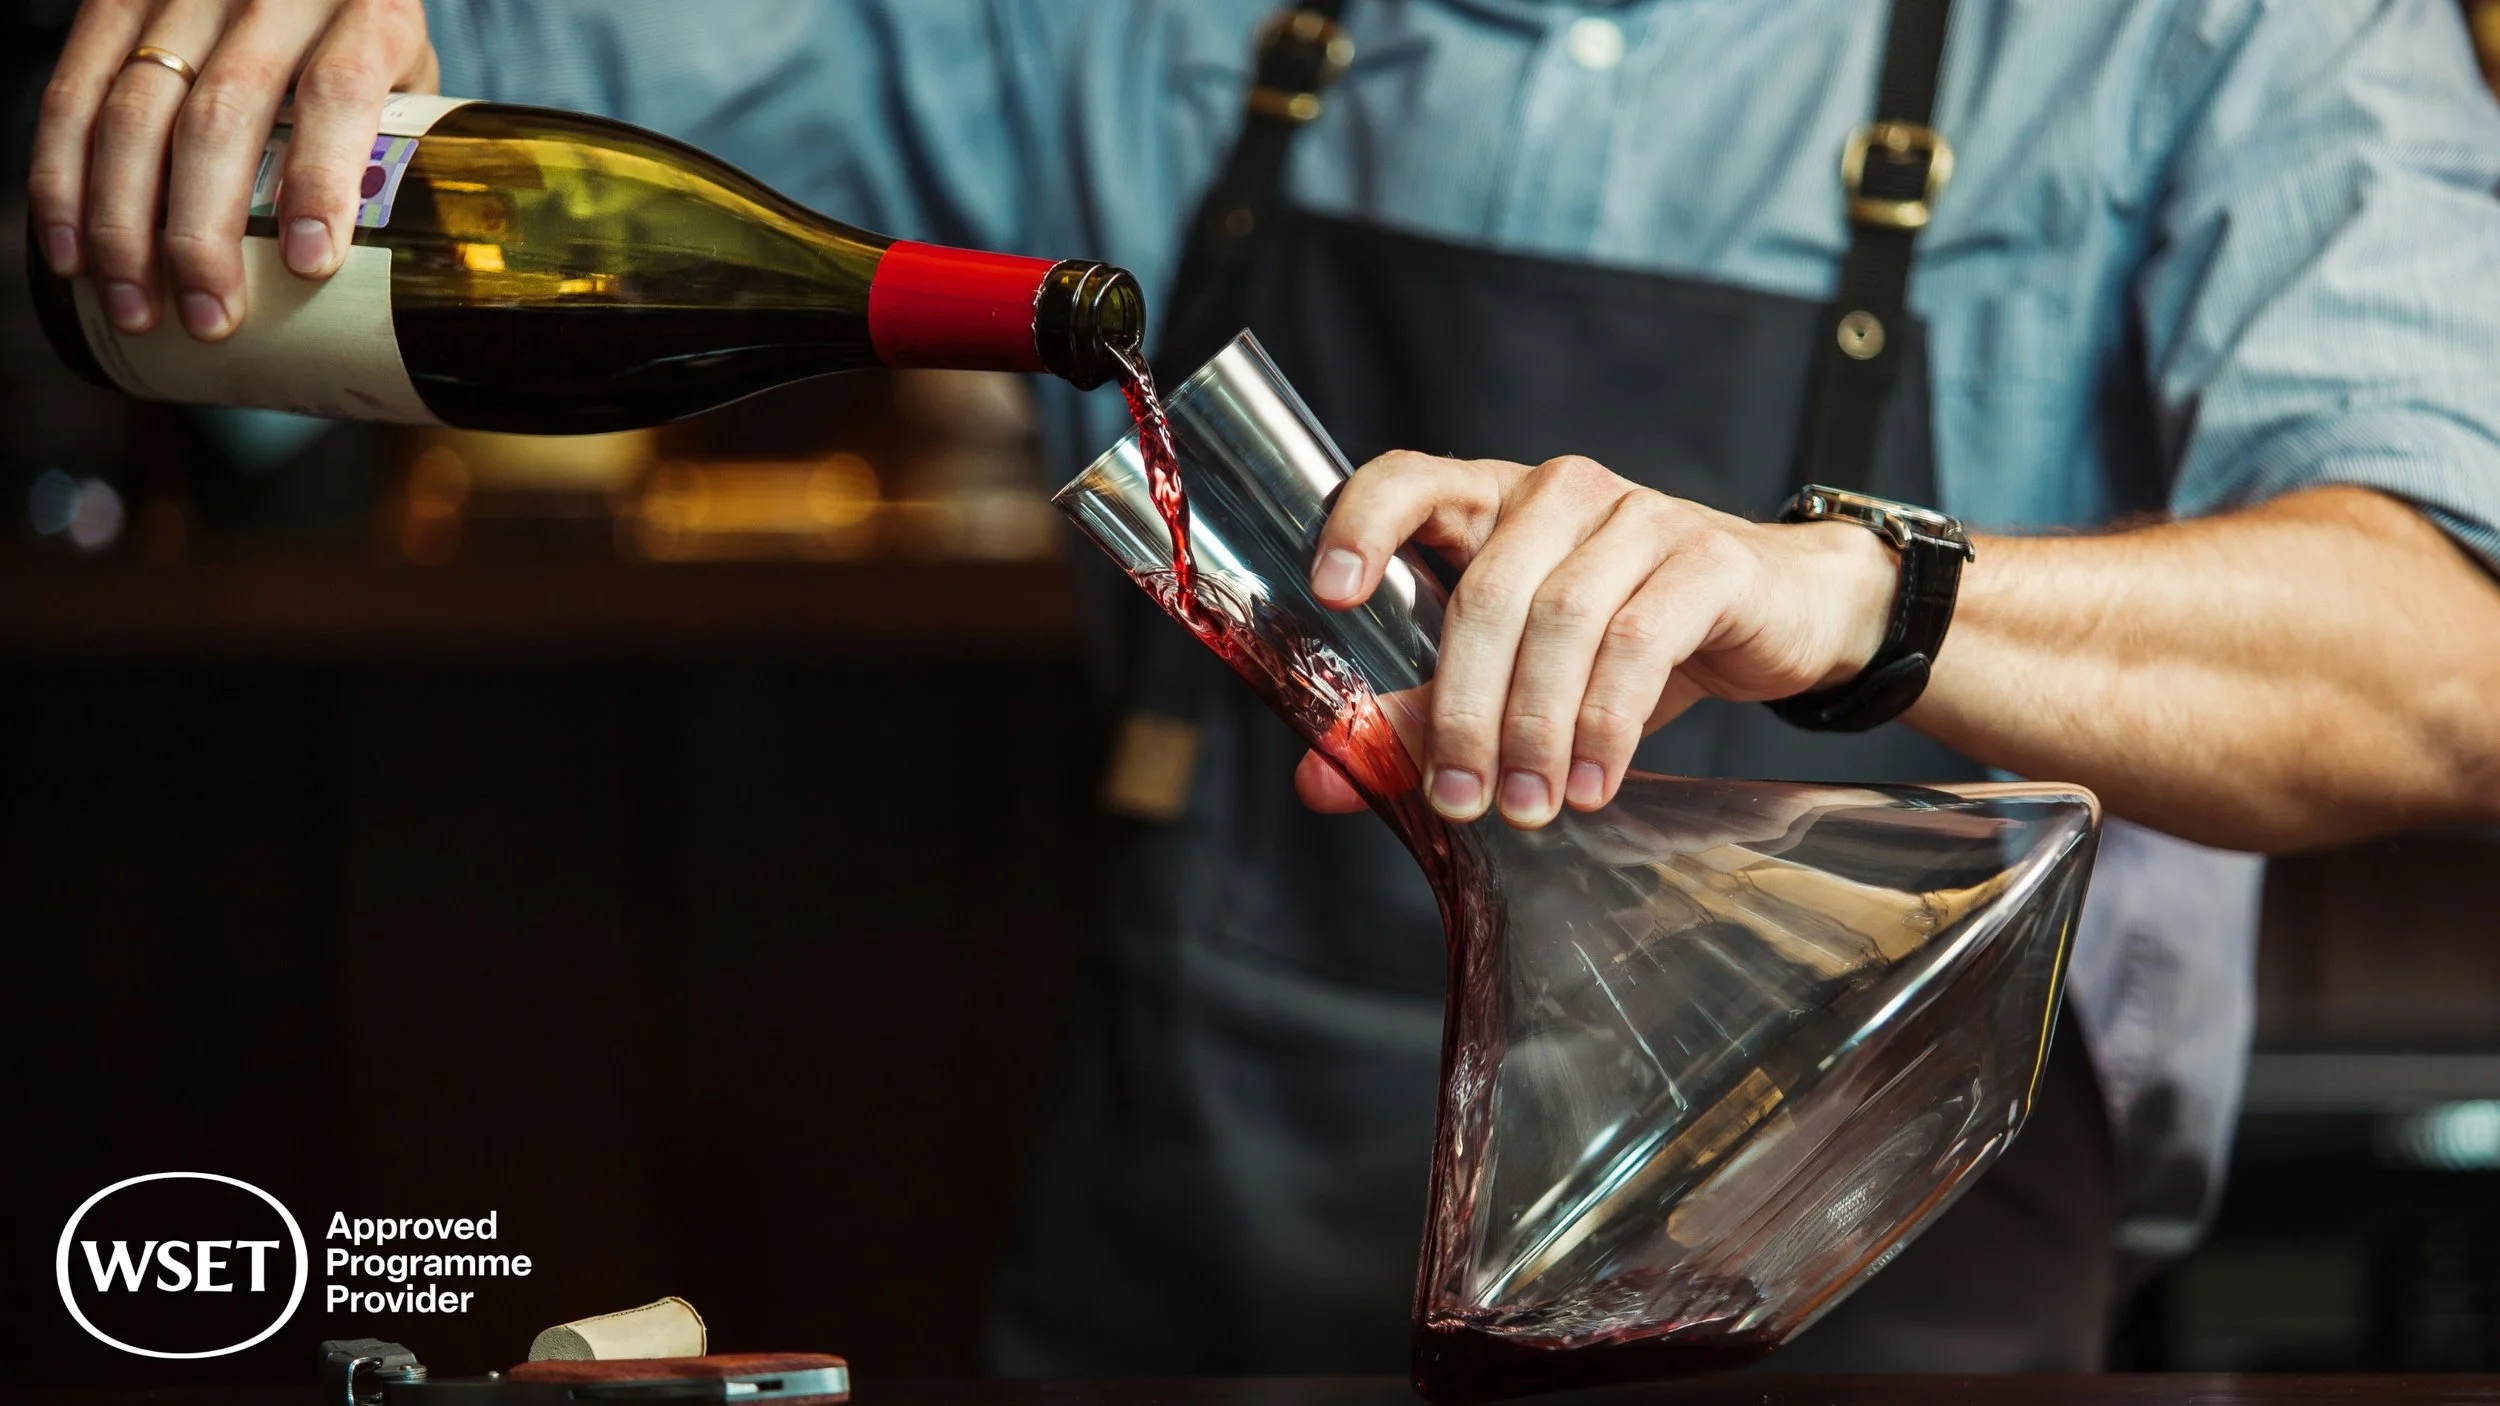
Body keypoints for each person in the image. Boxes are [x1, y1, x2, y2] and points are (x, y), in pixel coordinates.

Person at [31, 0, 2500, 1376]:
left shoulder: (2216, 35)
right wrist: (316, 60)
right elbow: (422, 152)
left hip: (1887, 1294)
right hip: (1186, 1279)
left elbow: (2445, 660)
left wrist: (1860, 597)